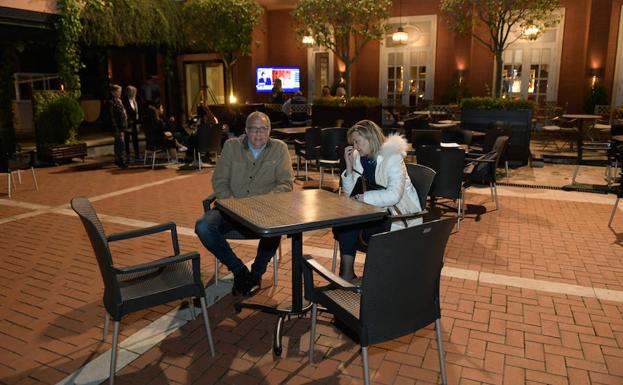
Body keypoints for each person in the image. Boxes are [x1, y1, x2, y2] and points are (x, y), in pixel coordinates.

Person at [195, 111, 294, 296]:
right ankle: (239, 271)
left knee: (275, 228)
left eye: (263, 129)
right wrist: (234, 206)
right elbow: (220, 181)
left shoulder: (279, 149)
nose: (259, 134)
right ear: (246, 131)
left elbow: (286, 184)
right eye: (254, 129)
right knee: (203, 226)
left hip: (265, 211)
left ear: (270, 130)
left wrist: (262, 203)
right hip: (230, 210)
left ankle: (256, 273)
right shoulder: (231, 146)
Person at [333, 120, 422, 280]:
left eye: (357, 141)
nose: (355, 146)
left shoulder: (393, 157)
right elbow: (348, 195)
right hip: (373, 211)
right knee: (344, 223)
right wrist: (348, 168)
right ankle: (347, 274)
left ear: (369, 137)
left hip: (398, 215)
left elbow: (394, 195)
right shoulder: (358, 156)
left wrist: (363, 198)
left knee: (349, 225)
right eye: (353, 142)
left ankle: (361, 279)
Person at [108, 84, 128, 168]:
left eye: (120, 92)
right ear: (113, 92)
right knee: (121, 143)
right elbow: (112, 116)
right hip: (117, 126)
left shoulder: (119, 101)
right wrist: (116, 127)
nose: (120, 93)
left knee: (118, 143)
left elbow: (123, 113)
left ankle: (118, 159)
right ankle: (121, 160)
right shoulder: (111, 102)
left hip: (122, 125)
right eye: (118, 92)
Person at [122, 85, 141, 162]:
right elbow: (124, 113)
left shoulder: (134, 101)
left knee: (135, 139)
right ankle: (128, 155)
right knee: (127, 140)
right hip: (128, 123)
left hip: (134, 123)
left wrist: (137, 122)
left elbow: (136, 112)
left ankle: (137, 154)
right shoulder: (124, 101)